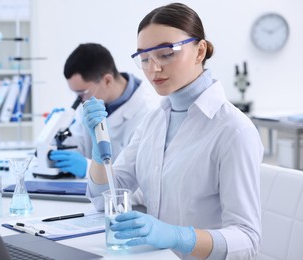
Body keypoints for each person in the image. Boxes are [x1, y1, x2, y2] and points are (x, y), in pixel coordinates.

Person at [82, 3, 263, 259]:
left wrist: (180, 237)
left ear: (200, 51)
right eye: (144, 58)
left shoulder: (234, 130)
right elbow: (104, 199)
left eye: (167, 53)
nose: (153, 69)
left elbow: (247, 240)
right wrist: (99, 152)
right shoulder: (153, 121)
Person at [48, 43, 159, 186]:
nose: (79, 100)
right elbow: (78, 147)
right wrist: (54, 132)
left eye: (82, 93)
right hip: (92, 199)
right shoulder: (91, 102)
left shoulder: (147, 111)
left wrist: (88, 169)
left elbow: (139, 182)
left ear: (107, 80)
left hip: (125, 204)